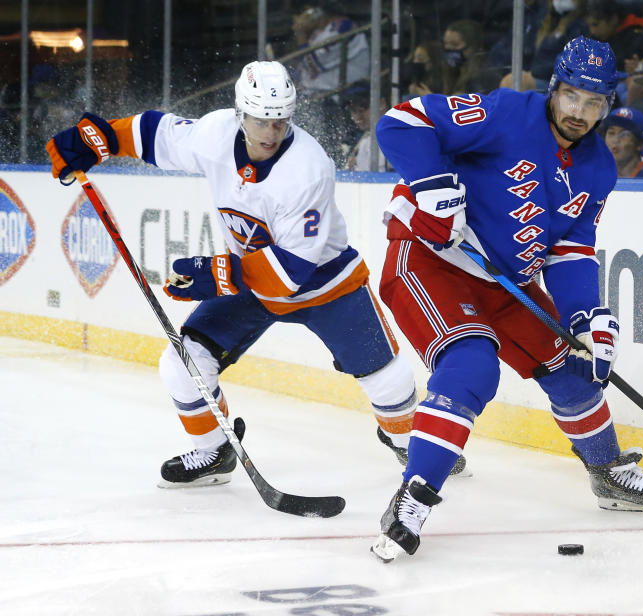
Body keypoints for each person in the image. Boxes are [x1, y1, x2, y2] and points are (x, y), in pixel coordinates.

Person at [44, 61, 466, 488]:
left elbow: (291, 273)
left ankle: (412, 442)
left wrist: (217, 273)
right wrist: (98, 139)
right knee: (181, 364)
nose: (270, 131)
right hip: (250, 278)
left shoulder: (308, 168)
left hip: (325, 284)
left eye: (280, 121)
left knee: (389, 382)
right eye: (261, 120)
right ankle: (215, 450)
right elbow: (155, 134)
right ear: (239, 113)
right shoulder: (215, 134)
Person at [369, 36, 643, 563]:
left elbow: (571, 251)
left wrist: (586, 318)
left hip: (506, 282)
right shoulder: (507, 112)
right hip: (430, 259)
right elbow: (401, 121)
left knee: (575, 368)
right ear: (555, 87)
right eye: (572, 96)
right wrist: (434, 185)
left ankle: (607, 473)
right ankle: (412, 498)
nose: (580, 112)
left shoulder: (599, 167)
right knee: (471, 366)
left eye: (594, 102)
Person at [601, 106, 643, 177]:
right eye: (611, 133)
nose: (615, 140)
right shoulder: (601, 171)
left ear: (640, 144)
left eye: (624, 134)